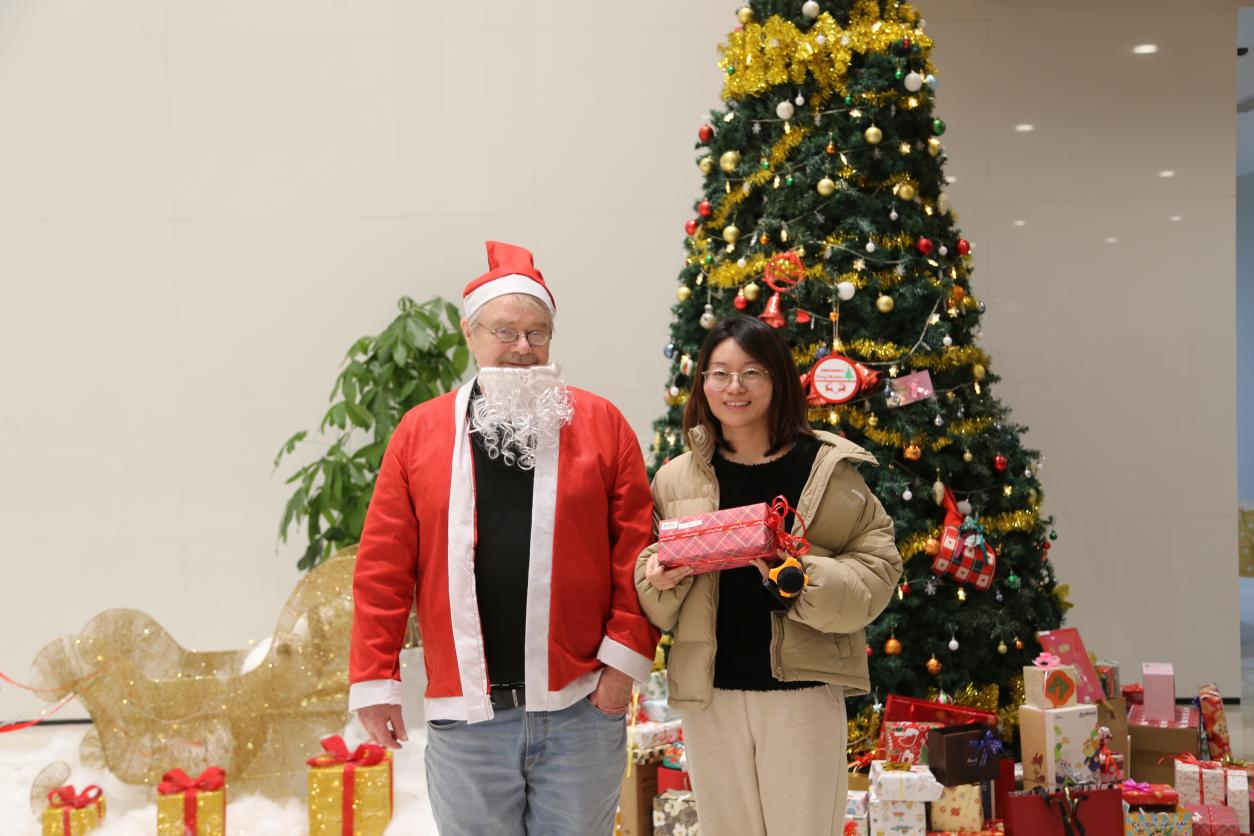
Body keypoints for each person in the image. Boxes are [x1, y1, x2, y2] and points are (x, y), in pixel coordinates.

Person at [350, 241, 659, 836]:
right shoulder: (418, 433)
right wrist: (375, 683)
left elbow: (637, 557)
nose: (523, 347)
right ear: (470, 334)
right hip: (467, 722)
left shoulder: (602, 425)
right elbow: (383, 569)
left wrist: (621, 672)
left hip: (579, 710)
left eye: (537, 333)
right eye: (506, 331)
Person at [635, 315, 903, 836]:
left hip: (802, 693)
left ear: (777, 378)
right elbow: (652, 591)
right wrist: (658, 578)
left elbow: (878, 567)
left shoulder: (825, 470)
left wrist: (800, 577)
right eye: (720, 373)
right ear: (703, 382)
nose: (734, 387)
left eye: (751, 372)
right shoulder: (674, 478)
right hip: (712, 697)